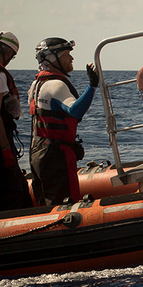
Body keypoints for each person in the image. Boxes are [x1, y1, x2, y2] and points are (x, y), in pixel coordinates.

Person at [27, 38, 100, 205]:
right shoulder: (56, 85)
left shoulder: (36, 84)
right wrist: (92, 85)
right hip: (56, 156)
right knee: (65, 204)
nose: (71, 58)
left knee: (45, 204)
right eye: (67, 54)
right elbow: (75, 111)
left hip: (37, 152)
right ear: (54, 58)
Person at [1, 32, 32, 209]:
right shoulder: (0, 75)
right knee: (14, 192)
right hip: (2, 143)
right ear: (7, 52)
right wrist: (5, 148)